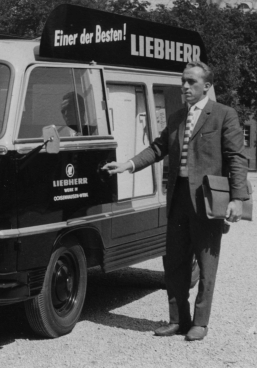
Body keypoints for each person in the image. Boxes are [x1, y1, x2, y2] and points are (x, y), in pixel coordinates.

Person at [102, 61, 248, 341]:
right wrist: (129, 165)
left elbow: (236, 158)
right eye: (183, 81)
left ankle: (200, 322)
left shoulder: (223, 115)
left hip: (207, 199)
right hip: (178, 198)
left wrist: (237, 198)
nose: (185, 86)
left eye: (191, 82)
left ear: (206, 86)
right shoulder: (176, 117)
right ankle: (178, 320)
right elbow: (158, 148)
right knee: (175, 263)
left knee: (206, 265)